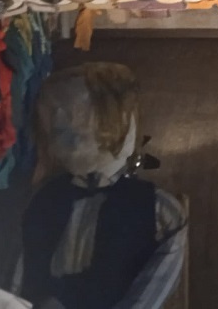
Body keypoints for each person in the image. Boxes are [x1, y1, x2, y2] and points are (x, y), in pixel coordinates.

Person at [22, 63, 186, 309]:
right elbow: (22, 280)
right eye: (60, 131)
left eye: (83, 131)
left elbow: (147, 296)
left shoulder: (159, 211)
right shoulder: (43, 200)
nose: (74, 144)